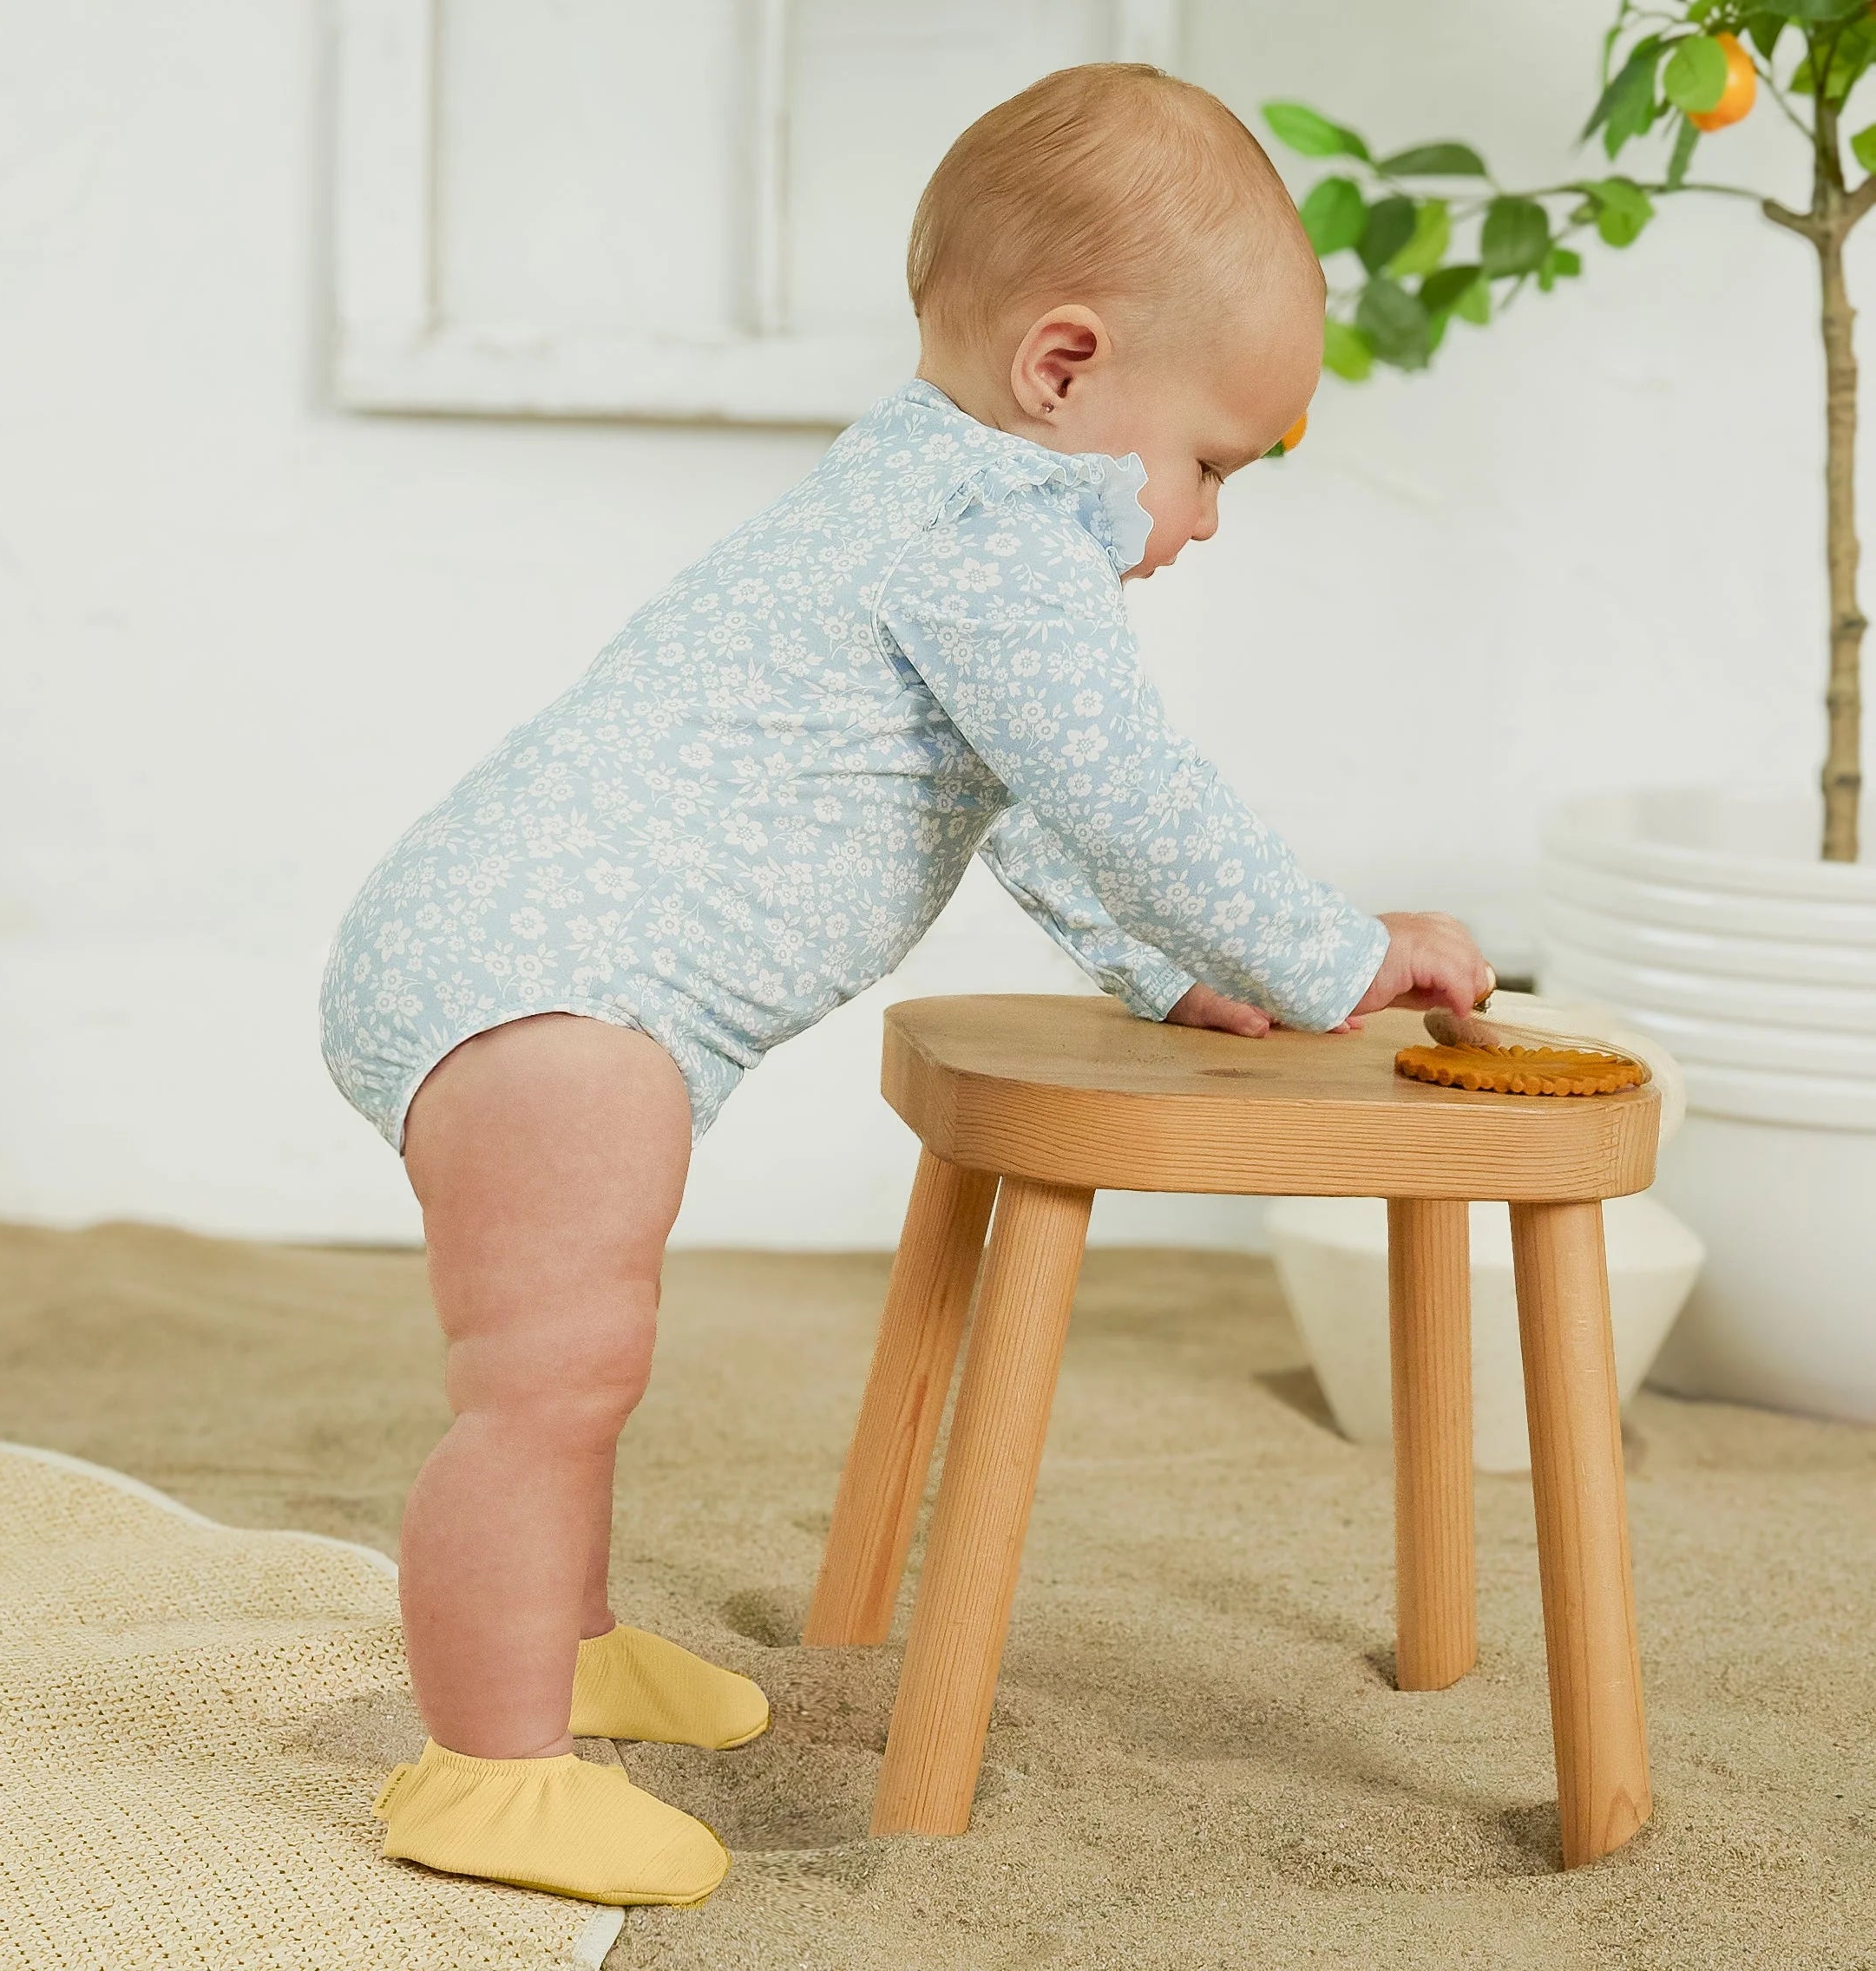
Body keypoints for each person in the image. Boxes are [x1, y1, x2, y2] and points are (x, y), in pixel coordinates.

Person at [324, 62, 1492, 1908]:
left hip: (533, 965)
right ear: (1064, 369)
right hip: (547, 990)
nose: (1203, 519)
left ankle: (566, 1641)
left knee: (583, 1357)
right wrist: (1331, 955)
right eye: (1208, 464)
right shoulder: (989, 536)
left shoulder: (923, 487)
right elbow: (1126, 790)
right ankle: (486, 1768)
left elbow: (1016, 797)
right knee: (545, 1376)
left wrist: (1158, 969)